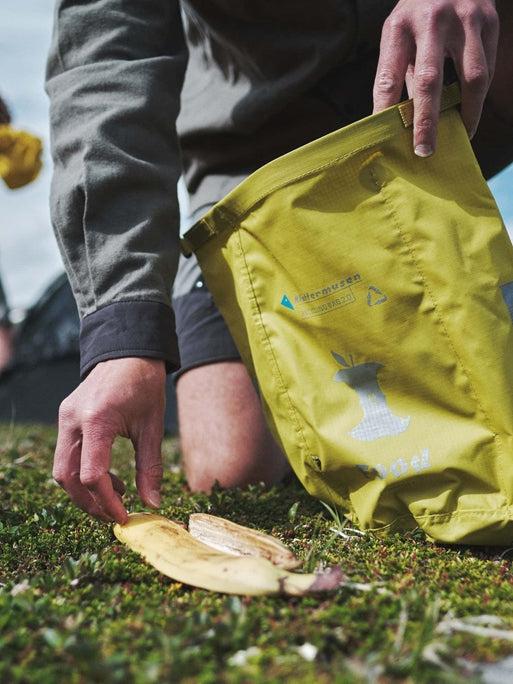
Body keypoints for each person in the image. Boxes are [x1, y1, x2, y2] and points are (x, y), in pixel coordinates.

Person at [46, 0, 513, 524]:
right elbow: (107, 62)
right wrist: (122, 334)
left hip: (433, 111)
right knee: (228, 466)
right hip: (254, 157)